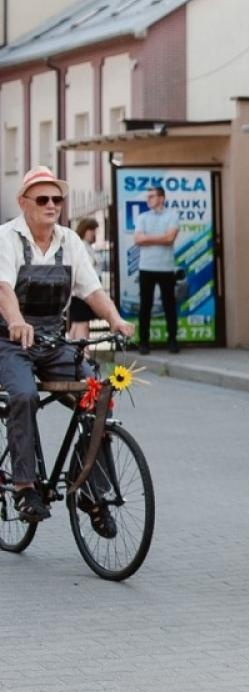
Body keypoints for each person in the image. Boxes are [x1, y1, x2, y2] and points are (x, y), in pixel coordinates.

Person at [0, 167, 135, 523]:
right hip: (9, 341)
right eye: (43, 199)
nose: (52, 205)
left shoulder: (69, 241)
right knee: (23, 395)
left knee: (98, 396)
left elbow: (92, 290)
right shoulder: (7, 238)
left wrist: (116, 319)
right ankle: (25, 488)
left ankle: (89, 488)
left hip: (53, 341)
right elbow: (3, 288)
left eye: (57, 199)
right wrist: (16, 321)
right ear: (23, 202)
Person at [133, 181, 181, 355]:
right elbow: (138, 240)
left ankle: (172, 341)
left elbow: (170, 239)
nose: (148, 199)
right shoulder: (142, 217)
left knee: (169, 305)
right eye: (148, 197)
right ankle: (144, 342)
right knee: (145, 306)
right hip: (146, 268)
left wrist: (148, 238)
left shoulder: (172, 215)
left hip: (166, 268)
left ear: (161, 198)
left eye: (152, 196)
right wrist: (161, 237)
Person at [67, 216, 99, 339]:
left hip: (80, 292)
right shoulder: (81, 247)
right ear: (84, 230)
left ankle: (71, 348)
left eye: (94, 230)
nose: (93, 233)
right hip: (82, 292)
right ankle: (84, 349)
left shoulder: (86, 246)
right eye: (91, 230)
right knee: (82, 324)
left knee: (77, 324)